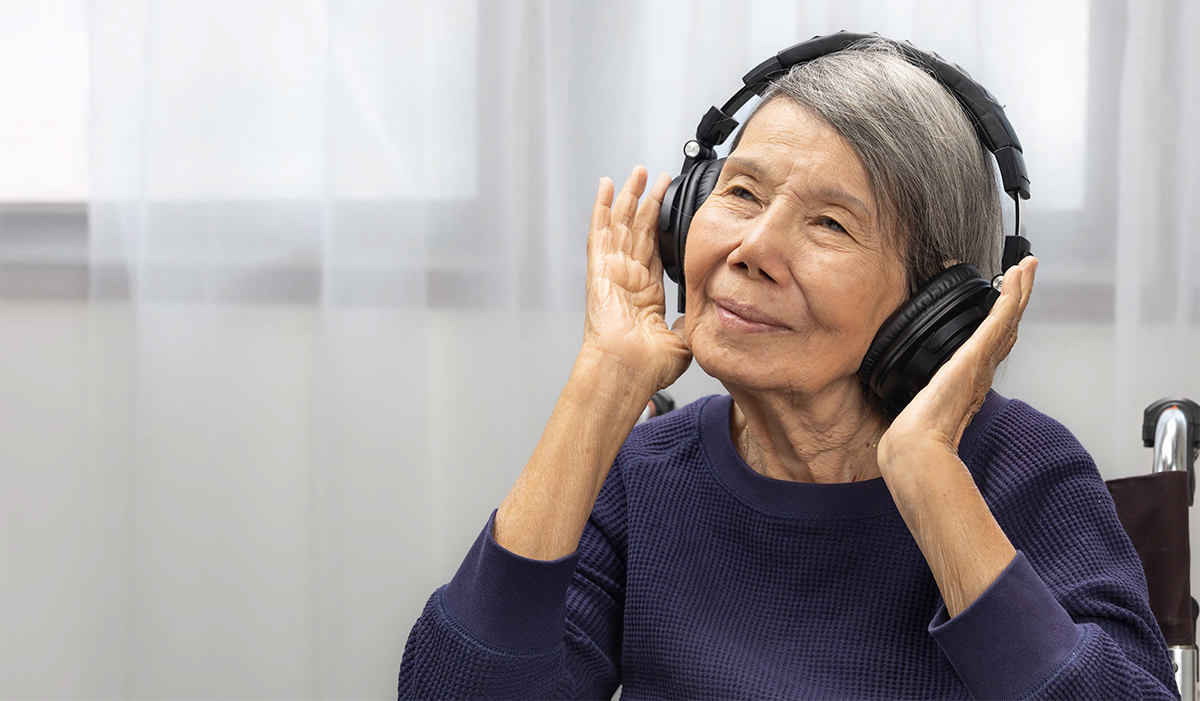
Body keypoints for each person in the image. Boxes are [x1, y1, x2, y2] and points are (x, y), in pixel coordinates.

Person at [398, 38, 1178, 699]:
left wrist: (928, 477)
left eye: (830, 223)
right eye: (740, 192)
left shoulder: (1024, 472)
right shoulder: (646, 475)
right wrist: (603, 384)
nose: (753, 249)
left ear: (935, 305)